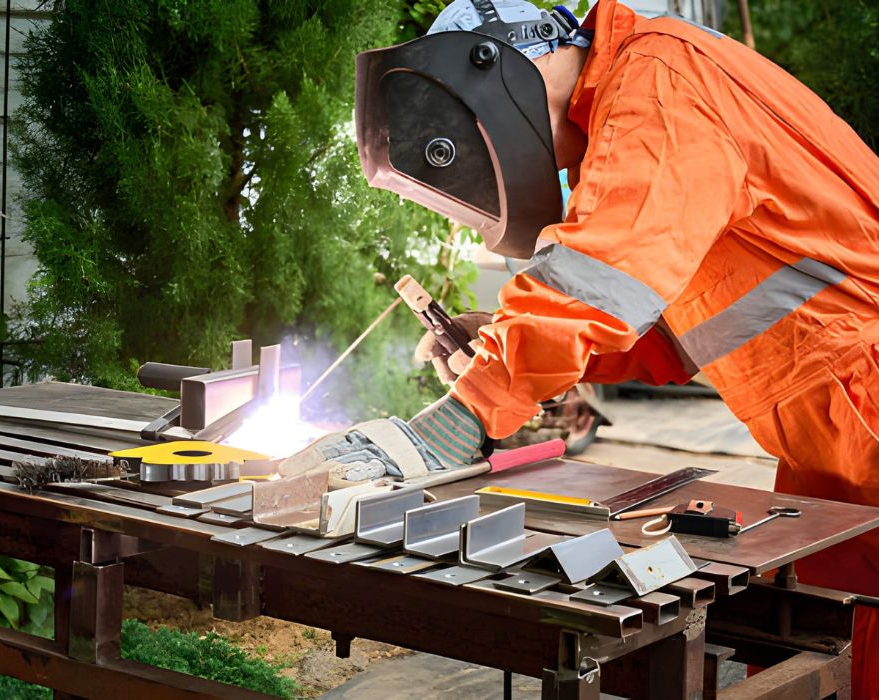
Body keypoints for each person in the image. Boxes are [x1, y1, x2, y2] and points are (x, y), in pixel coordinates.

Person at [282, 1, 879, 694]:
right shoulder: (636, 103)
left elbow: (607, 268)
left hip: (864, 404)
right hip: (832, 429)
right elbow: (667, 327)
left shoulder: (660, 75)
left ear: (500, 70)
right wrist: (505, 341)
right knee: (835, 645)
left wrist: (465, 414)